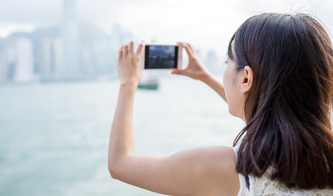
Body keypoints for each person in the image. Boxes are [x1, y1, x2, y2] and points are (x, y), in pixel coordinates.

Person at [108, 13, 333, 195]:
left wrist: (128, 84)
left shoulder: (227, 169)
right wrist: (205, 76)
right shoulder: (324, 160)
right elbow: (269, 108)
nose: (224, 70)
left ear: (246, 78)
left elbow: (120, 164)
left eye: (228, 61)